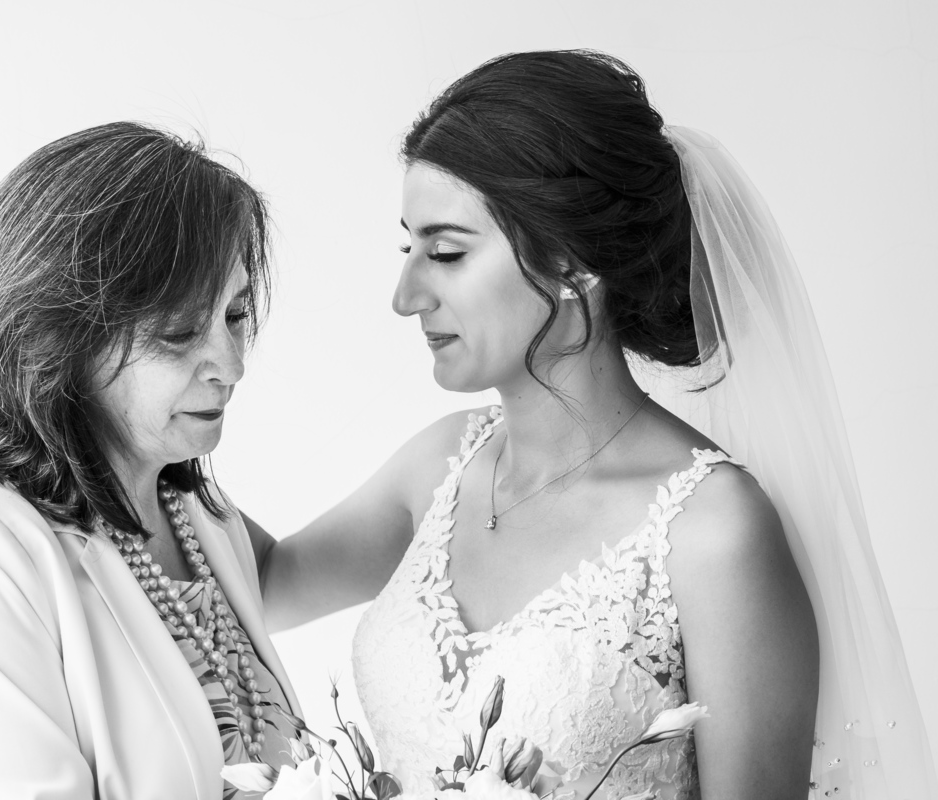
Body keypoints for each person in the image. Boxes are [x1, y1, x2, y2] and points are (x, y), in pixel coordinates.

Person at [251, 51, 936, 798]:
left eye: (445, 253)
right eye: (407, 247)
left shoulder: (711, 532)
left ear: (572, 263)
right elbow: (260, 586)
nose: (405, 295)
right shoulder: (442, 464)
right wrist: (159, 394)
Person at [0, 122, 302, 799]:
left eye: (235, 315)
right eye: (180, 331)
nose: (231, 366)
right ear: (58, 340)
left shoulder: (200, 519)